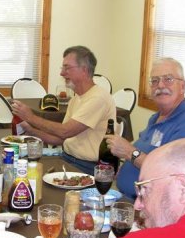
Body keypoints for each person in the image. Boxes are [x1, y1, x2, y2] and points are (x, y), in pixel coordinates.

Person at [107, 57, 185, 197]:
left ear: (183, 86)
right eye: (155, 81)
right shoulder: (156, 118)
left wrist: (130, 152)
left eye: (168, 79)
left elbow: (173, 174)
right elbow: (145, 153)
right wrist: (124, 168)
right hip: (123, 195)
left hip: (148, 208)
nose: (160, 85)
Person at [11, 45, 116, 174]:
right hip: (67, 158)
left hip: (87, 167)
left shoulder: (98, 98)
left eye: (67, 68)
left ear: (84, 70)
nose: (61, 73)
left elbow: (65, 132)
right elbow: (61, 139)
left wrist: (31, 117)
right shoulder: (76, 99)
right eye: (62, 68)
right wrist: (31, 130)